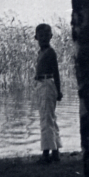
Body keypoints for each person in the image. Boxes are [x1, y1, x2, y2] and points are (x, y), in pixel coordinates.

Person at [33, 23, 62, 163]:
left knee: (46, 119)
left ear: (51, 36)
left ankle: (46, 154)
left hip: (47, 84)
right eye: (41, 36)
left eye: (46, 35)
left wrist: (59, 90)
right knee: (50, 118)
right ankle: (55, 152)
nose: (43, 38)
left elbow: (55, 72)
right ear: (36, 37)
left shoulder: (50, 52)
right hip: (41, 84)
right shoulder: (41, 52)